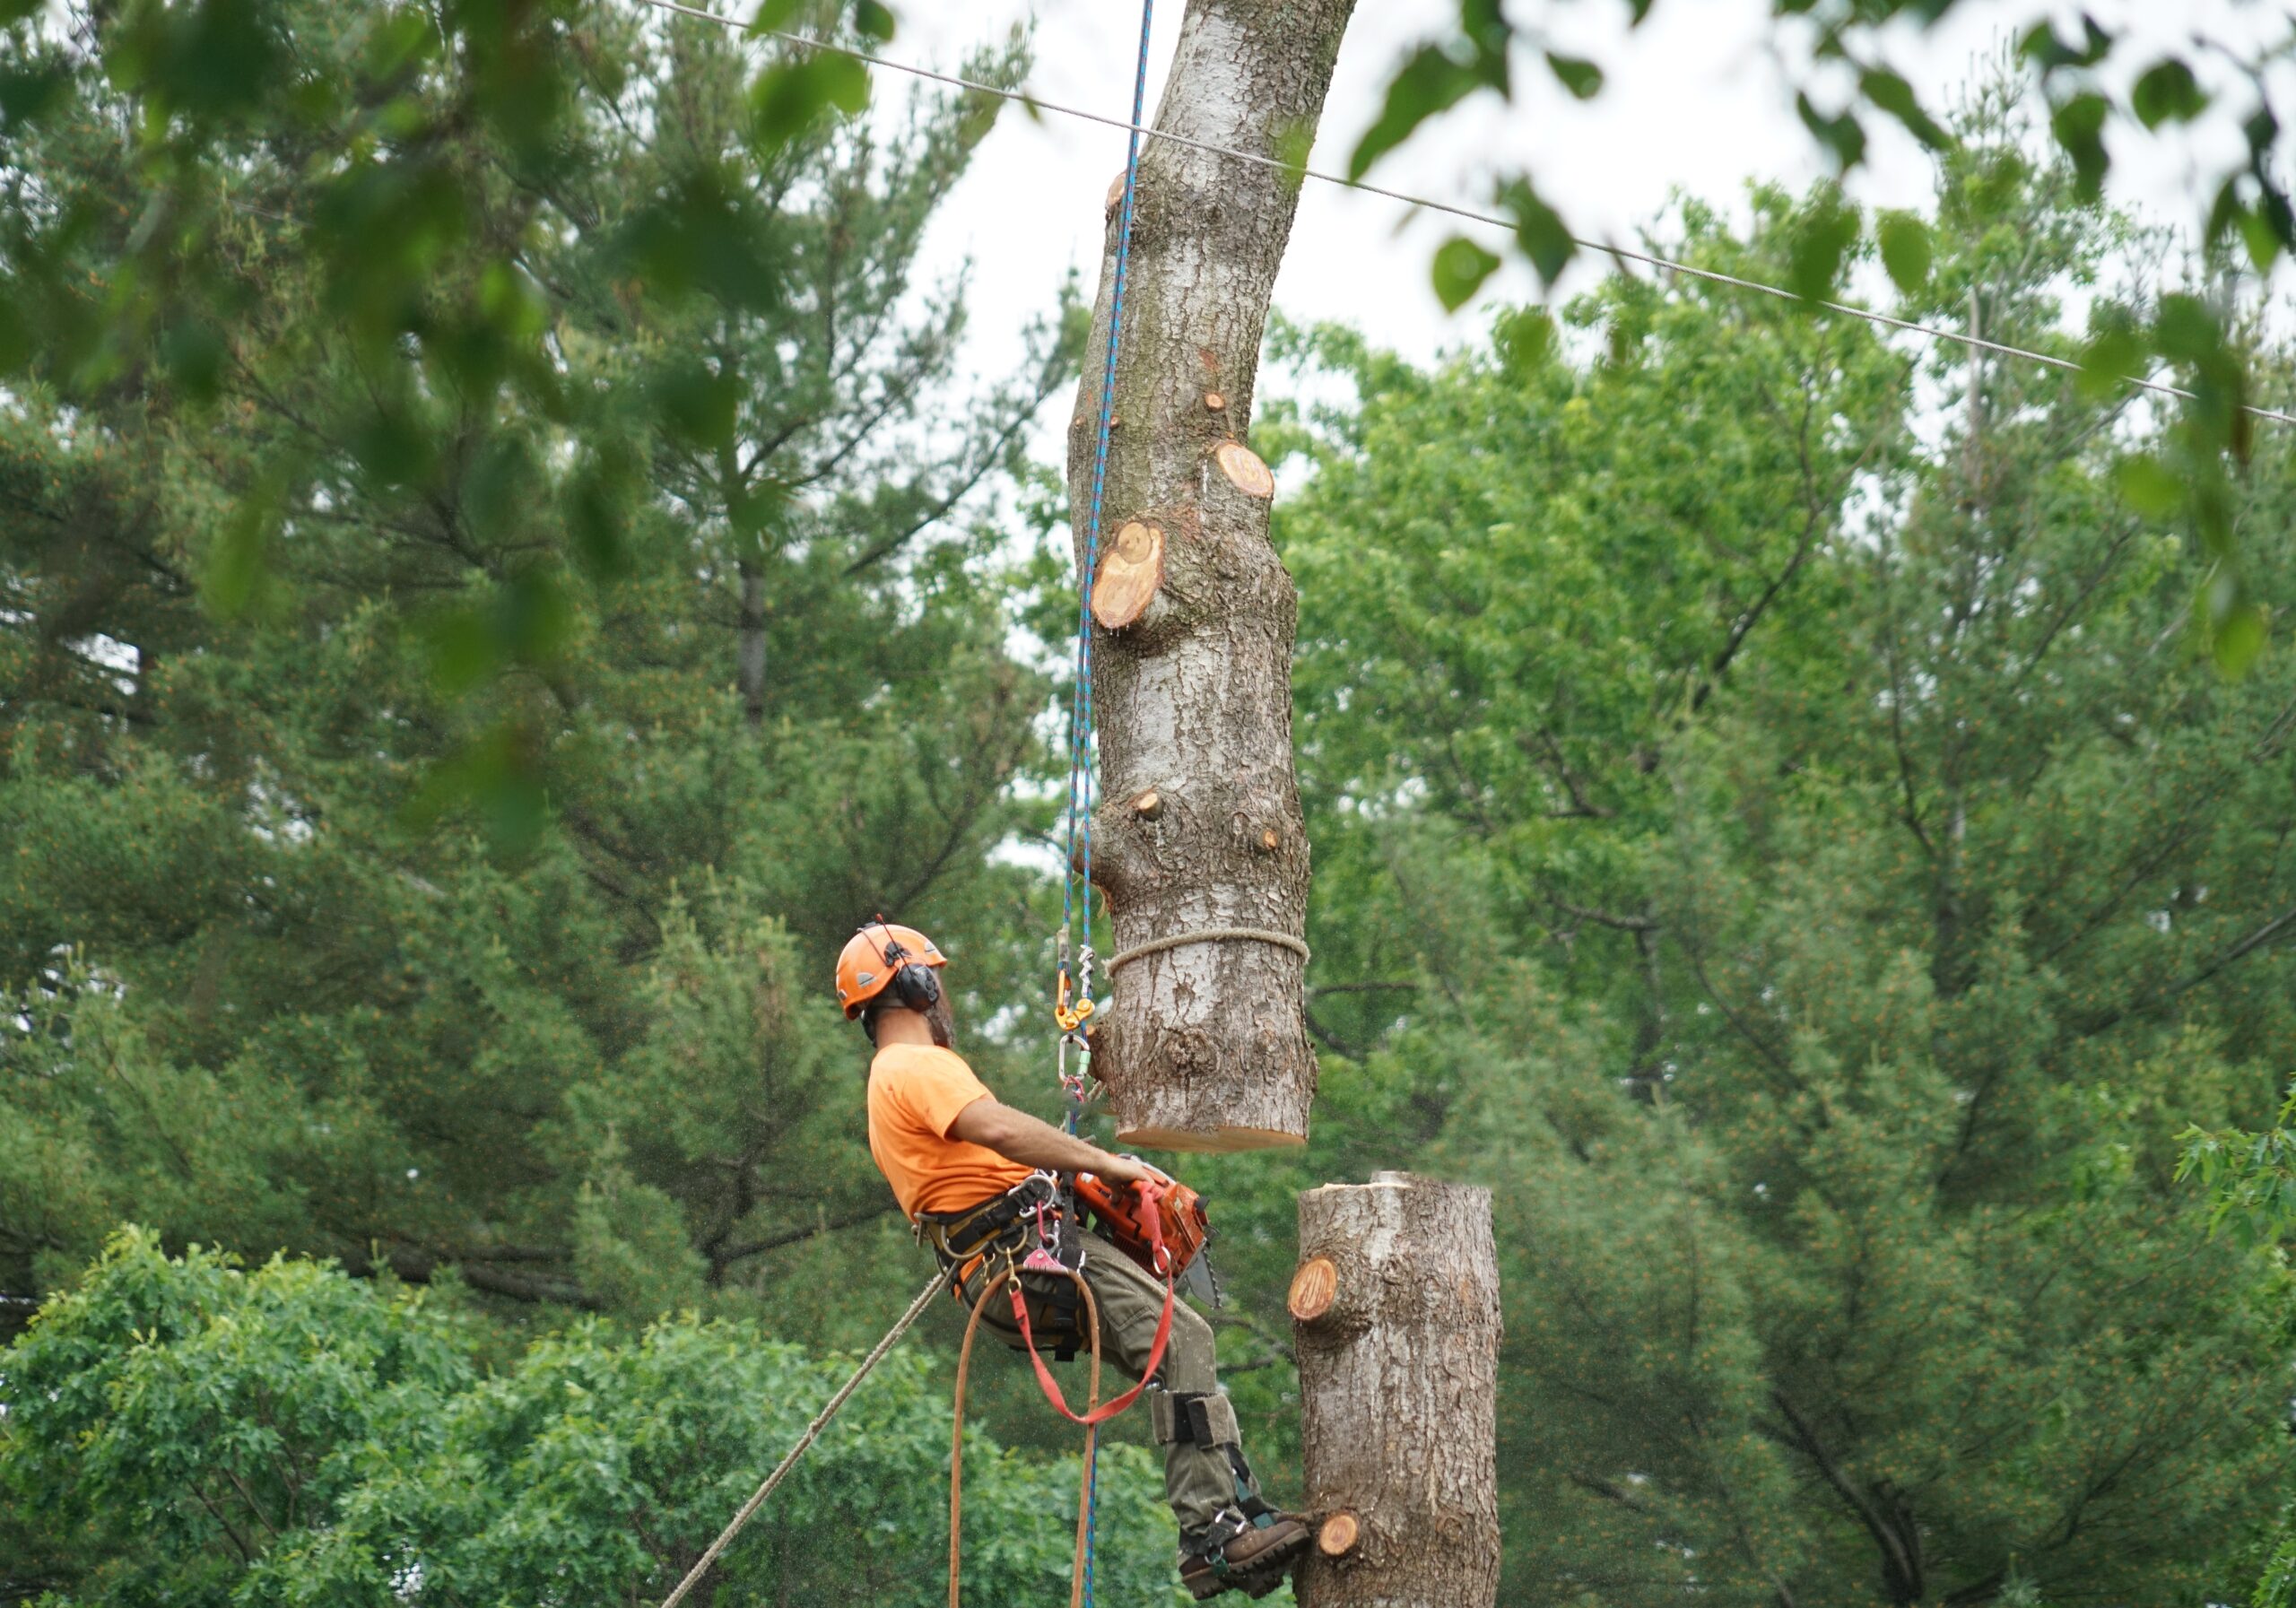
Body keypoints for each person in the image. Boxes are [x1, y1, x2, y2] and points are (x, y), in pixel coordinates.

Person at [835, 921, 1311, 1600]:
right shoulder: (916, 1066)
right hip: (1022, 1253)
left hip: (1003, 1265)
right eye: (934, 979)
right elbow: (997, 1126)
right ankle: (1211, 1531)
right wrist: (1104, 1161)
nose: (944, 994)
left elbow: (982, 1159)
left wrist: (1075, 1187)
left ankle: (1235, 1506)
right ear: (913, 983)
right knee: (1184, 1337)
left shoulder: (890, 1078)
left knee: (1183, 1356)